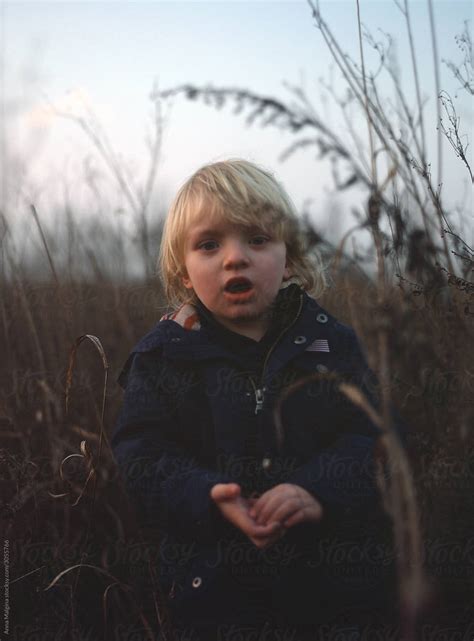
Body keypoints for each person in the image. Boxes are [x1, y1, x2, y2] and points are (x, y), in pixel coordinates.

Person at [111, 159, 405, 641]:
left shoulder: (331, 344)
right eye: (209, 245)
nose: (234, 258)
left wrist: (317, 490)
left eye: (257, 239)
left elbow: (377, 437)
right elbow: (141, 457)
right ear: (184, 272)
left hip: (332, 593)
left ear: (288, 258)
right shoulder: (163, 357)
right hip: (213, 593)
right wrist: (207, 496)